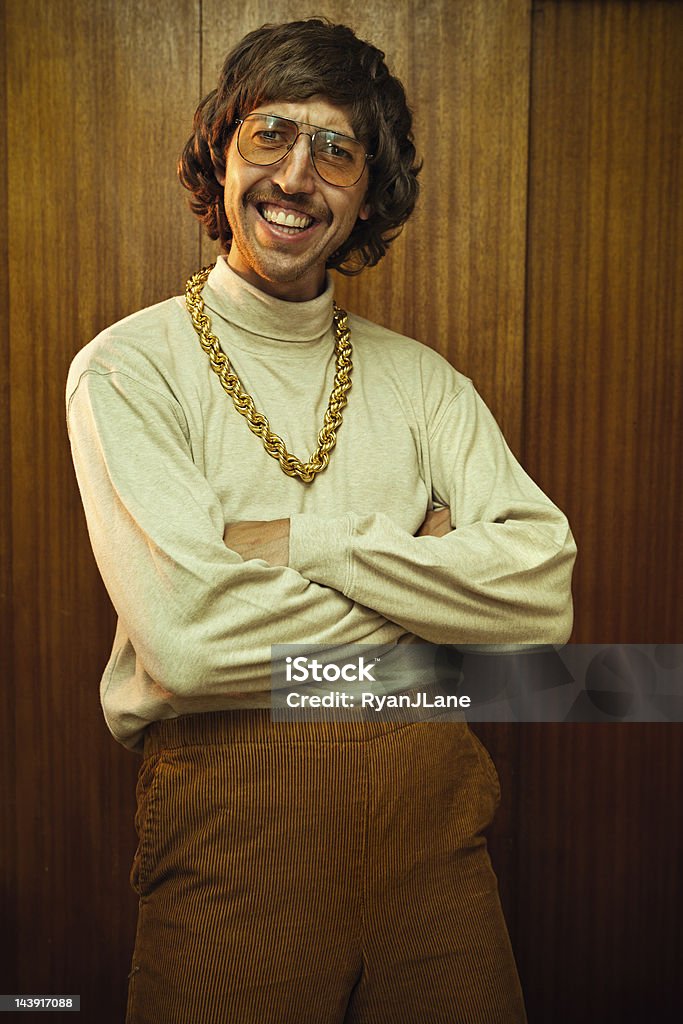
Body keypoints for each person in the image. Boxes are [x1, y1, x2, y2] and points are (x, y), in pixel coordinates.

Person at [66, 17, 576, 1024]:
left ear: (366, 196)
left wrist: (312, 543)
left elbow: (542, 598)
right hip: (235, 836)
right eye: (272, 135)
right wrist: (431, 615)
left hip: (434, 841)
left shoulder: (425, 384)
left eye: (338, 150)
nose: (298, 176)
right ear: (221, 151)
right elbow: (191, 647)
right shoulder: (128, 369)